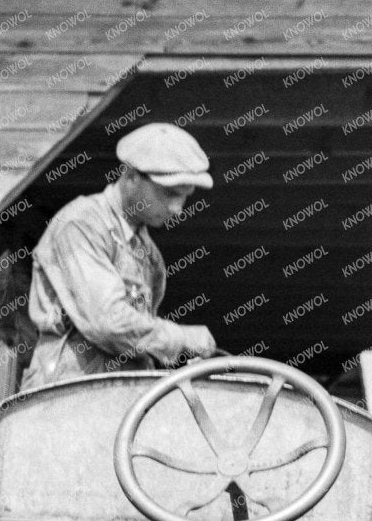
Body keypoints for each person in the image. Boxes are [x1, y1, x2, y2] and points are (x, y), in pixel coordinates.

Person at [21, 121, 222, 390]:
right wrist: (180, 338)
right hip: (67, 397)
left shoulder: (149, 255)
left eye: (185, 197)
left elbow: (140, 338)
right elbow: (107, 322)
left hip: (123, 398)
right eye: (169, 193)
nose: (177, 209)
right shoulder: (82, 224)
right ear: (131, 177)